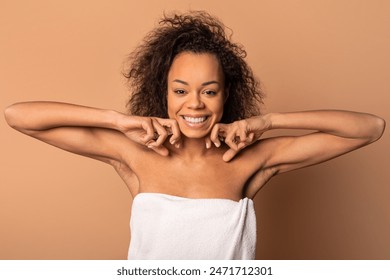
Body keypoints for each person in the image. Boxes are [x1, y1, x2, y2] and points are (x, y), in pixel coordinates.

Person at [4, 11, 385, 260]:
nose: (195, 104)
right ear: (163, 93)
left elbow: (370, 128)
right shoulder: (135, 155)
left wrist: (268, 121)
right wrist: (117, 120)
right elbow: (19, 116)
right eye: (181, 90)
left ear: (226, 94)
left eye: (209, 90)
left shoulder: (252, 159)